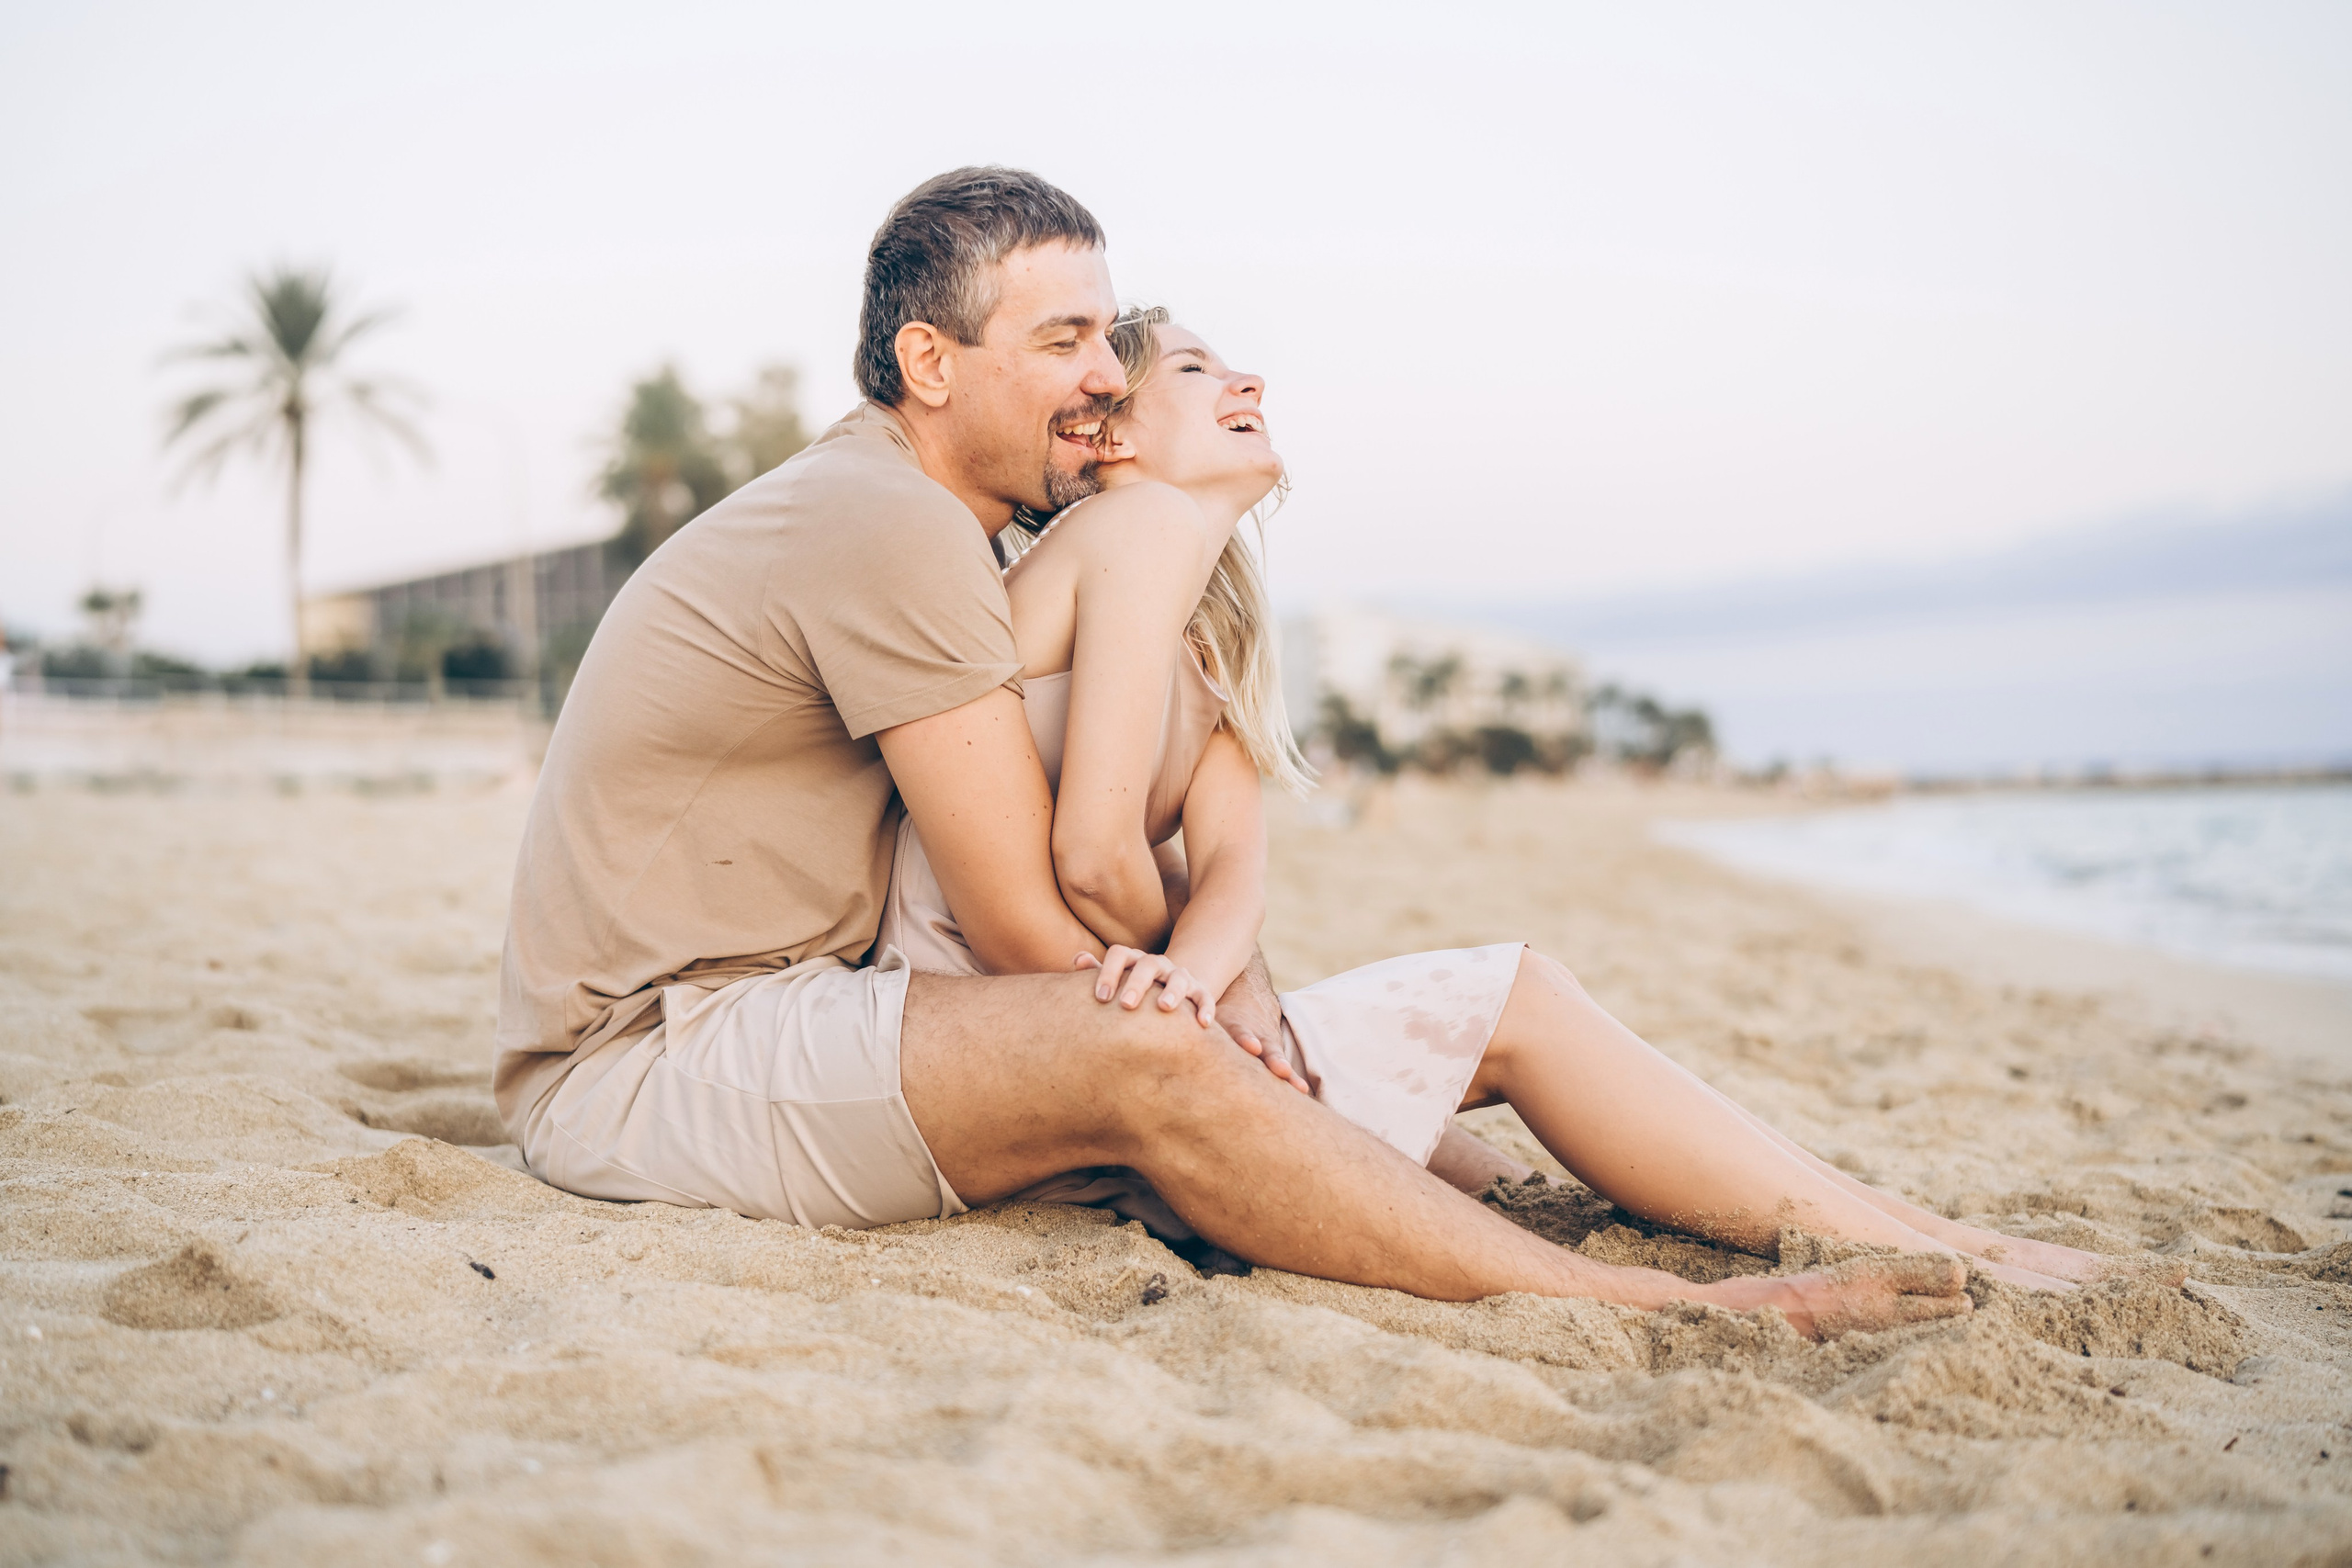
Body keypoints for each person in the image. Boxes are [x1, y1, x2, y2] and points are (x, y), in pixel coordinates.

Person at [495, 164, 1980, 1339]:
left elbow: (1130, 850)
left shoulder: (968, 530)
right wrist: (1226, 1010)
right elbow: (1024, 910)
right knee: (1155, 1050)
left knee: (1358, 1051)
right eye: (1062, 339)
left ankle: (1913, 1231)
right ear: (926, 362)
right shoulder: (887, 521)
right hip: (653, 1057)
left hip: (805, 1008)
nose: (1100, 374)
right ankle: (1668, 1309)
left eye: (1106, 333)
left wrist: (1237, 980)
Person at [874, 303, 2123, 1294]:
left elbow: (1236, 868)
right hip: (1015, 1042)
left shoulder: (1210, 648)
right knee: (1517, 996)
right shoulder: (1128, 531)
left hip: (1096, 1013)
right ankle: (1926, 1242)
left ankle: (1917, 1227)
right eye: (1199, 371)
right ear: (1120, 438)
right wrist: (1203, 987)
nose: (1248, 382)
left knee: (1510, 1037)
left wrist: (1211, 975)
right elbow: (1094, 860)